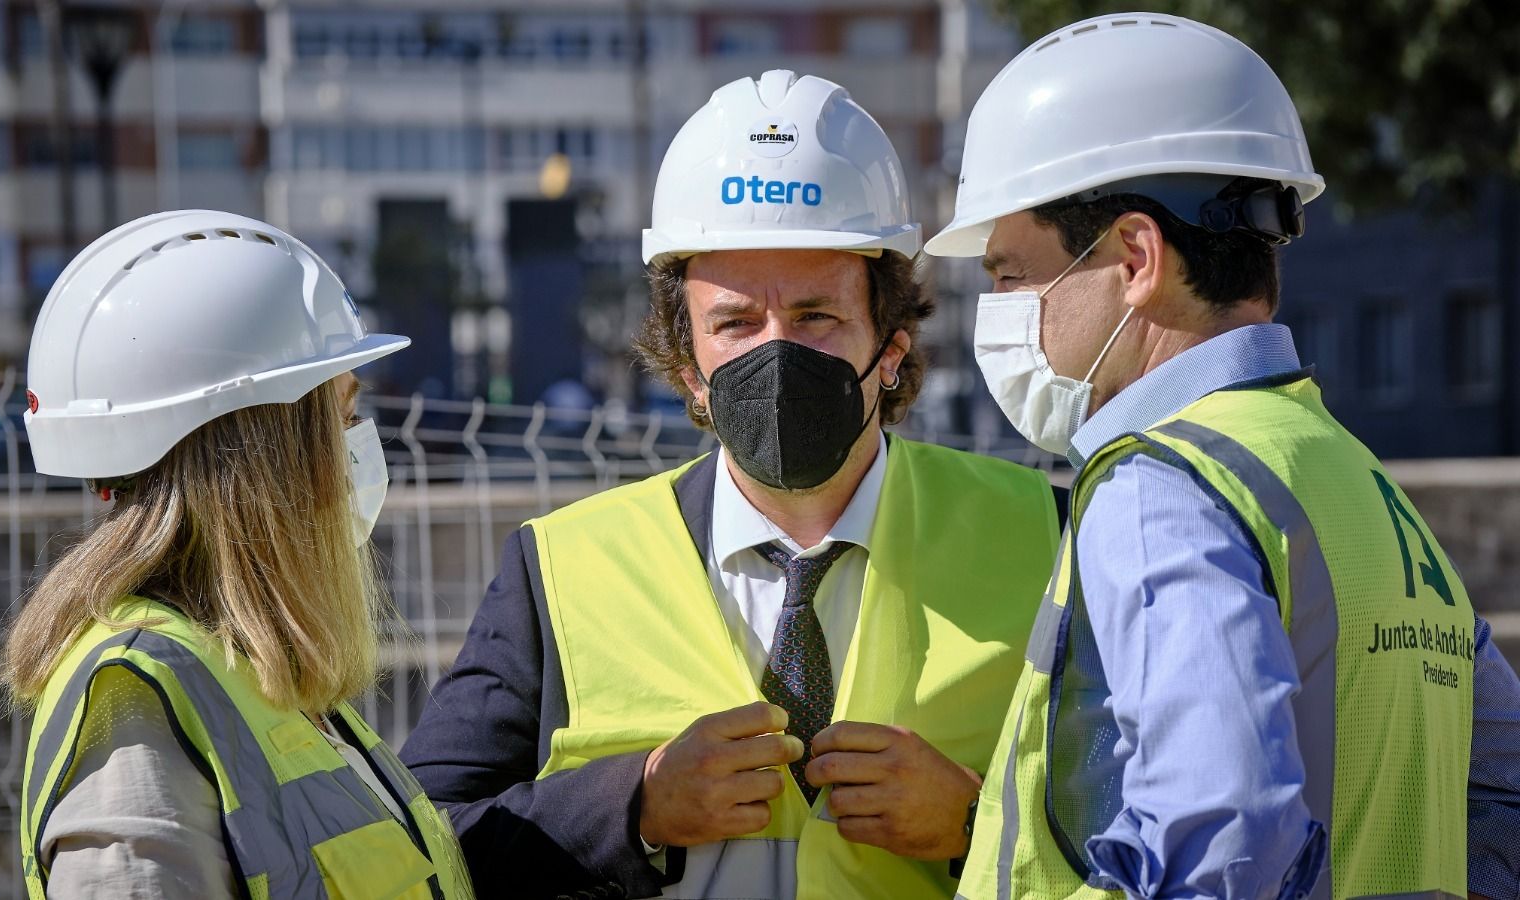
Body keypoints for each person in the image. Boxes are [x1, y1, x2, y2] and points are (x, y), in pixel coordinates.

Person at [400, 70, 1059, 899]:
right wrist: (634, 805)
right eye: (736, 323)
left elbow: (1158, 832)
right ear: (689, 369)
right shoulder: (560, 571)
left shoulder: (1045, 533)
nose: (776, 355)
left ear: (891, 349)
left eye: (816, 316)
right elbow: (411, 843)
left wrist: (976, 823)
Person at [926, 13, 1520, 900]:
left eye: (1013, 274)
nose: (1001, 306)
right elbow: (1498, 807)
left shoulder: (1156, 486)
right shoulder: (1351, 477)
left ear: (1135, 256)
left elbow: (1224, 839)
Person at [2, 210, 475, 900]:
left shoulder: (250, 674)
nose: (357, 450)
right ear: (265, 449)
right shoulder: (134, 719)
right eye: (340, 418)